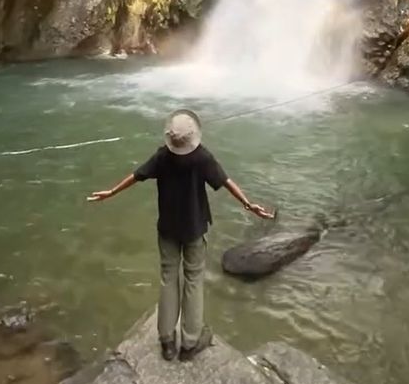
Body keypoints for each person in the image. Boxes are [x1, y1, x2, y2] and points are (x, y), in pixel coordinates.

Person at [87, 109, 274, 362]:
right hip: (194, 229)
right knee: (194, 279)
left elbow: (137, 175)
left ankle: (167, 341)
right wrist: (248, 203)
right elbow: (225, 181)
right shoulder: (201, 157)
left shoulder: (163, 156)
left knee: (168, 278)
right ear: (194, 136)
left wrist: (111, 192)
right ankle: (189, 342)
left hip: (167, 229)